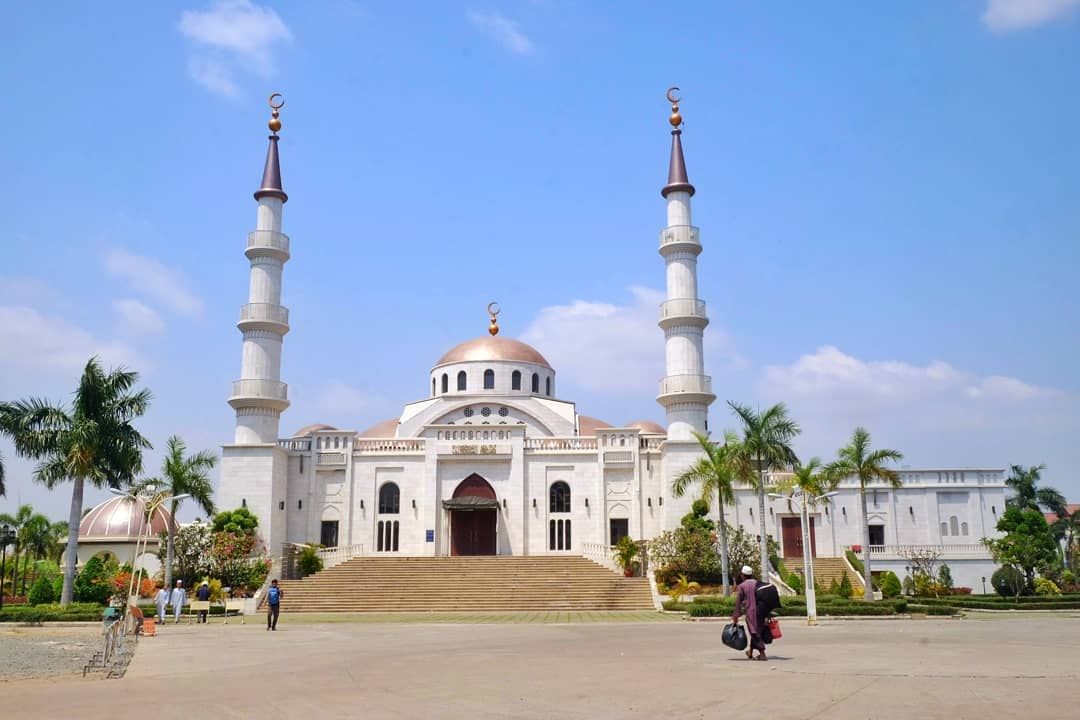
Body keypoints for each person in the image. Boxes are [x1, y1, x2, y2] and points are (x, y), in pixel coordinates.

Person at [731, 565, 767, 661]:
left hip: (751, 612)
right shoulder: (758, 583)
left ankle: (762, 653)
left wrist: (735, 616)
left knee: (754, 632)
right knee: (755, 631)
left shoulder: (742, 586)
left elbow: (738, 602)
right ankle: (750, 652)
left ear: (743, 575)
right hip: (761, 611)